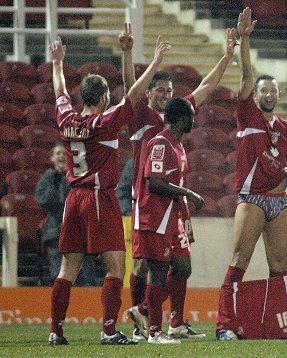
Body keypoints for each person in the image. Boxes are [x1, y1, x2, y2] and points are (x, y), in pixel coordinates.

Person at [48, 30, 171, 346]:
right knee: (116, 265)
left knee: (67, 268)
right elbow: (133, 94)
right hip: (99, 197)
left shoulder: (66, 119)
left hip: (73, 198)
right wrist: (154, 59)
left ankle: (56, 331)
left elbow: (59, 90)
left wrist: (57, 63)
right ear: (103, 98)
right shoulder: (104, 122)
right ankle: (108, 330)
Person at [123, 26, 238, 341]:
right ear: (149, 92)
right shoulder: (140, 117)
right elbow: (129, 89)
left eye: (168, 90)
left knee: (177, 265)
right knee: (143, 266)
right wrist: (130, 55)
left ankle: (169, 321)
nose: (164, 94)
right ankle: (142, 323)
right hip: (146, 200)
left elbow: (207, 85)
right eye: (158, 89)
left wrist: (227, 56)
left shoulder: (177, 116)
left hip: (174, 206)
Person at [215, 8, 287, 341]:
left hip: (280, 199)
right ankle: (225, 326)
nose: (268, 94)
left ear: (279, 96)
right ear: (254, 96)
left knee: (279, 262)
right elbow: (244, 78)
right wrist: (245, 41)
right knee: (240, 258)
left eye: (273, 91)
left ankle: (281, 327)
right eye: (263, 91)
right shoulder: (247, 115)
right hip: (252, 199)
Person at [132, 97, 205, 344]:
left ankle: (150, 313)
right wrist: (189, 194)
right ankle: (154, 332)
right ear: (183, 118)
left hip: (173, 217)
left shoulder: (178, 146)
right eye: (192, 115)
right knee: (159, 271)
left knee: (183, 268)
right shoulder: (160, 144)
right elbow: (155, 183)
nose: (194, 119)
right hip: (156, 218)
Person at [35, 141, 96, 287]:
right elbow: (43, 200)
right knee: (59, 275)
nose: (61, 156)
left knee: (86, 277)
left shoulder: (79, 177)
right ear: (52, 158)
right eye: (58, 153)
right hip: (56, 232)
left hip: (80, 233)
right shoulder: (48, 178)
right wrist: (58, 178)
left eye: (64, 153)